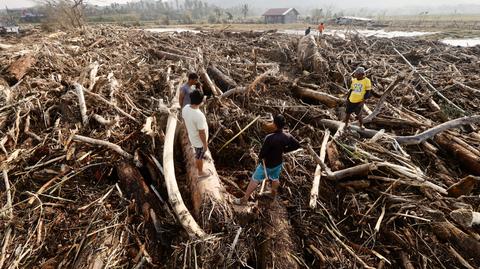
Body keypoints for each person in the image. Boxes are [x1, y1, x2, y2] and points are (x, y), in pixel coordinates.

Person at [234, 114, 300, 205]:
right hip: (278, 163)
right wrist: (285, 150)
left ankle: (245, 199)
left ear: (275, 124)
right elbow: (297, 145)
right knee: (275, 178)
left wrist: (260, 158)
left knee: (255, 179)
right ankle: (273, 194)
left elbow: (262, 154)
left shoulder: (270, 138)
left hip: (266, 164)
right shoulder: (287, 136)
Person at [182, 88, 211, 178]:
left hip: (193, 136)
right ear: (201, 101)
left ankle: (201, 154)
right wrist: (205, 144)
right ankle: (200, 172)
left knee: (200, 152)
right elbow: (201, 132)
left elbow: (184, 120)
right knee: (199, 156)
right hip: (198, 141)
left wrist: (187, 131)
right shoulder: (199, 115)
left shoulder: (186, 108)